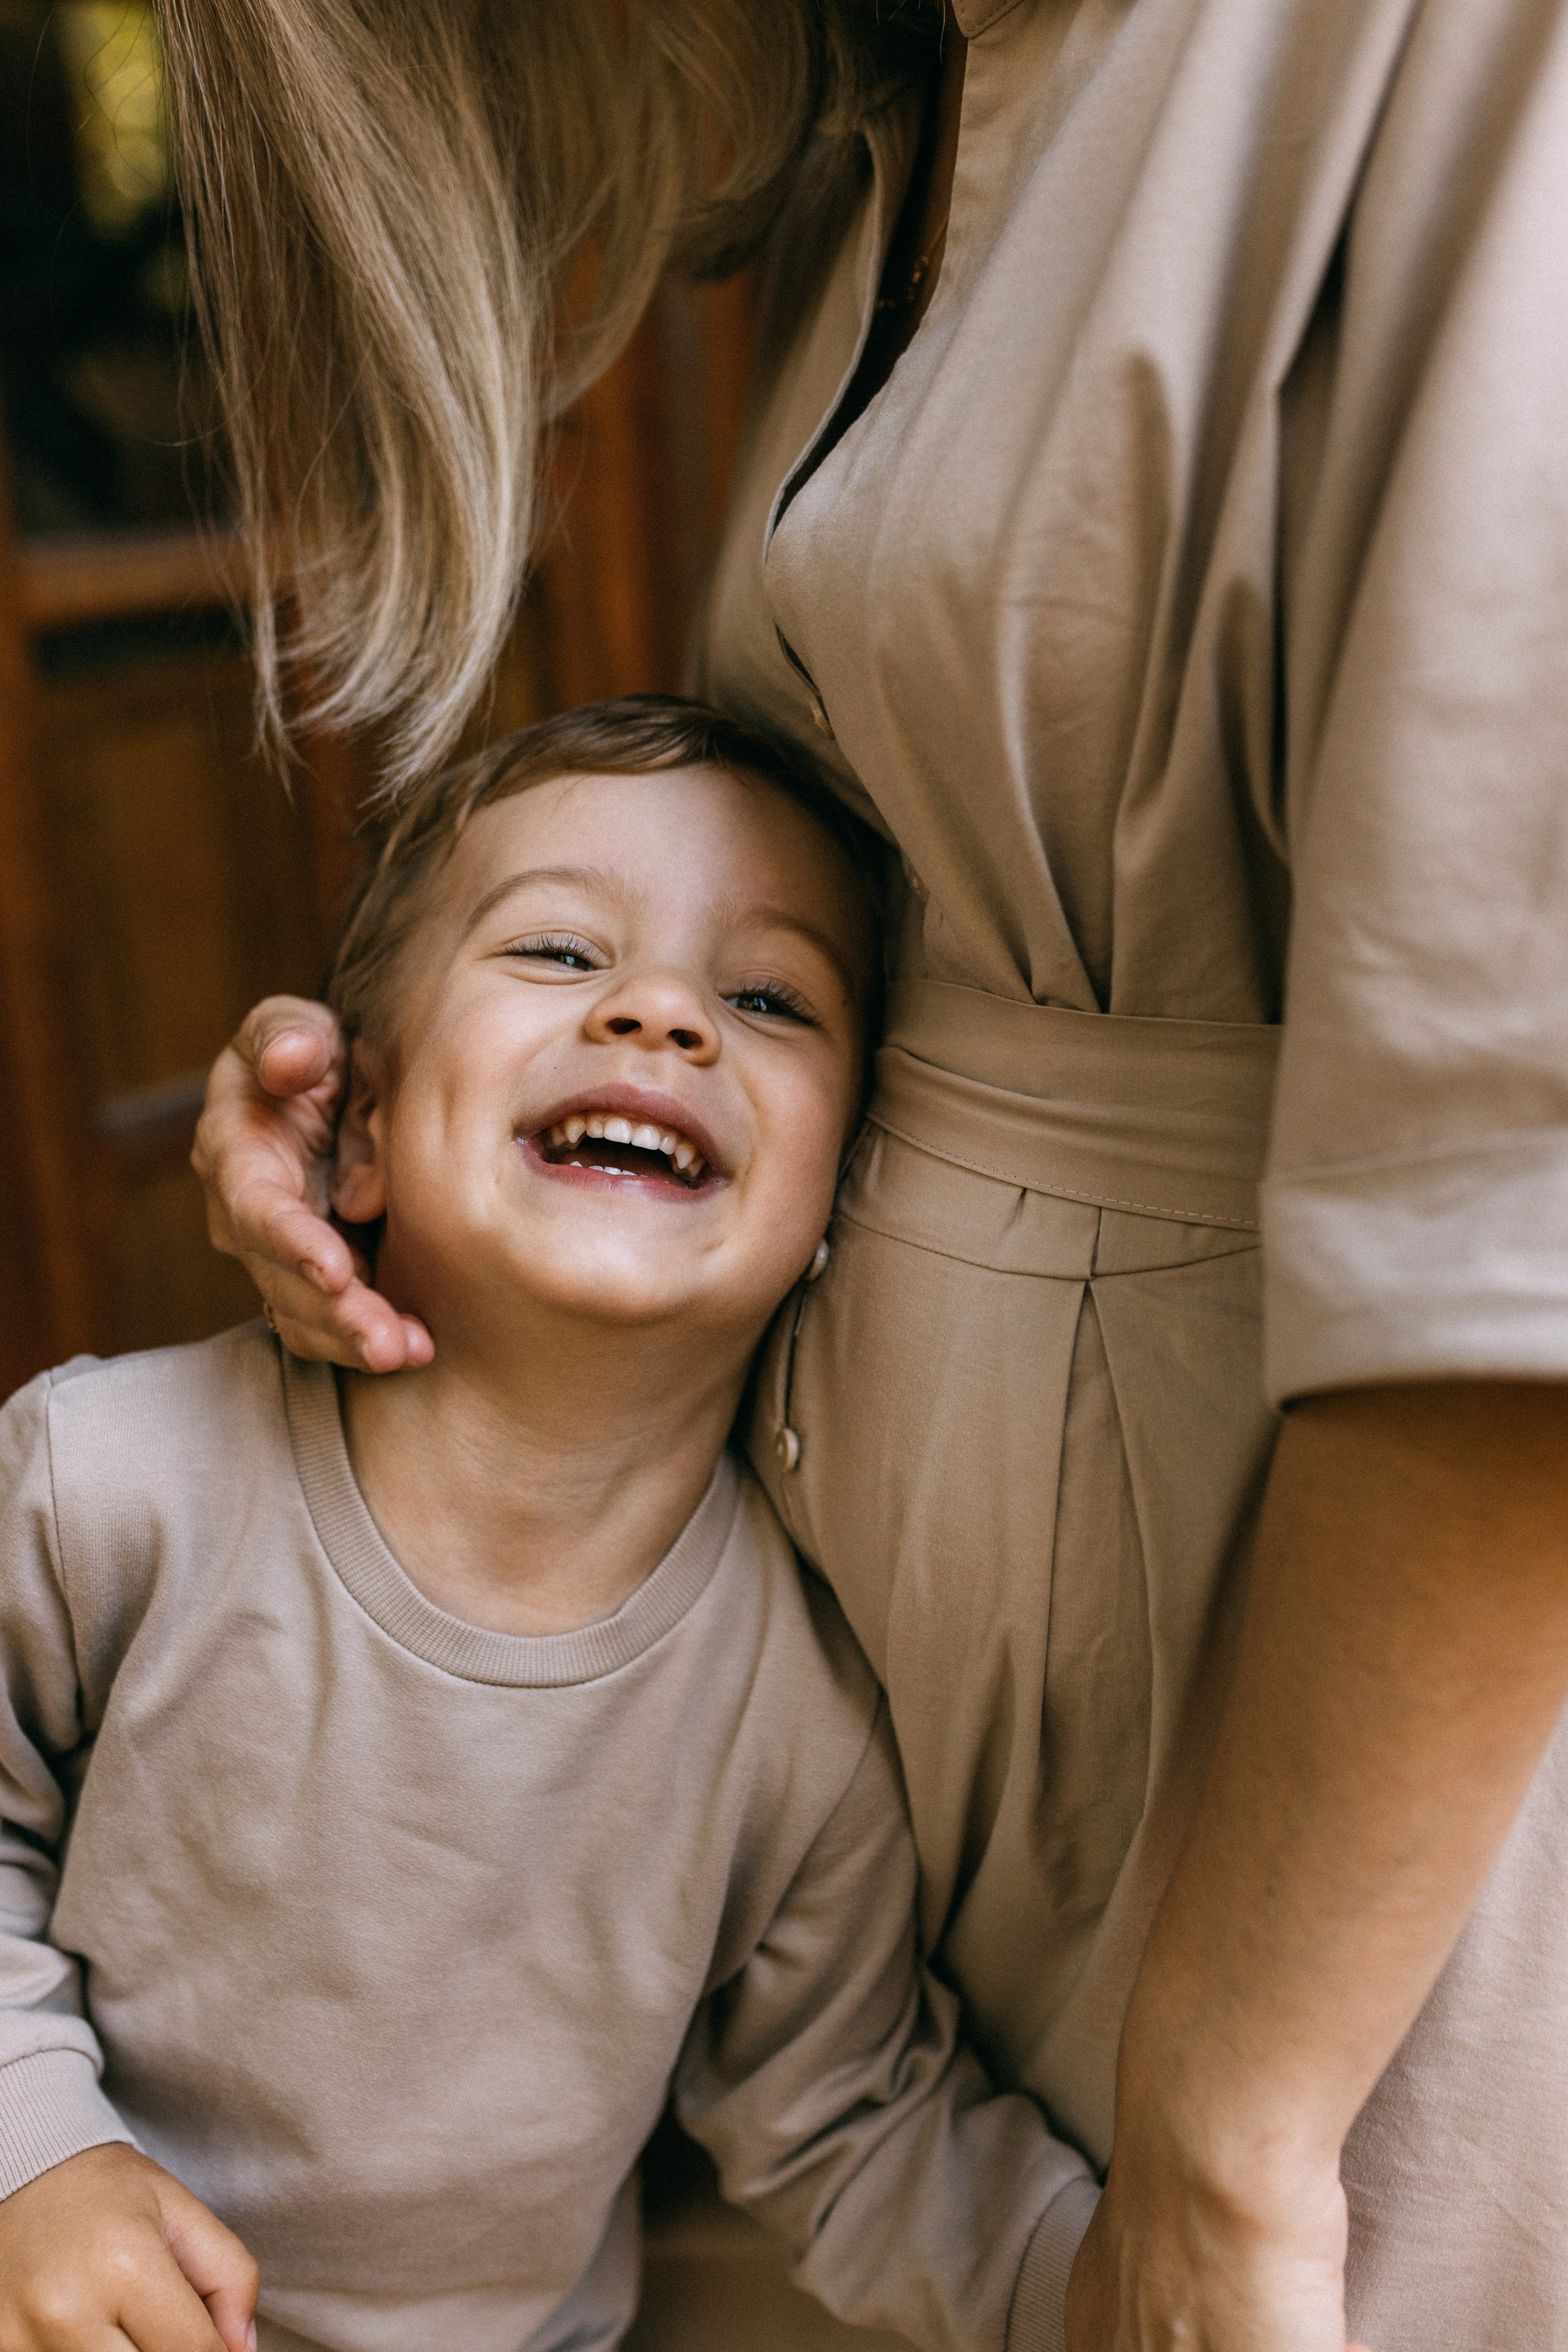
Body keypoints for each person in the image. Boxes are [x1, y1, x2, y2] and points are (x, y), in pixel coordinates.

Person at [176, 4, 1568, 2348]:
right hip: (934, 1891)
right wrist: (429, 1096)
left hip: (1308, 1904)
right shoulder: (890, 104)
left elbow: (1512, 1182)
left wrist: (1234, 2147)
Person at [0, 701, 1090, 2352]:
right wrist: (35, 2151)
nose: (659, 1014)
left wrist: (1134, 2288)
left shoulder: (795, 1716)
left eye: (767, 996)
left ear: (846, 1208)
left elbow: (854, 2125)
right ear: (352, 1129)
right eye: (563, 950)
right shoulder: (109, 1481)